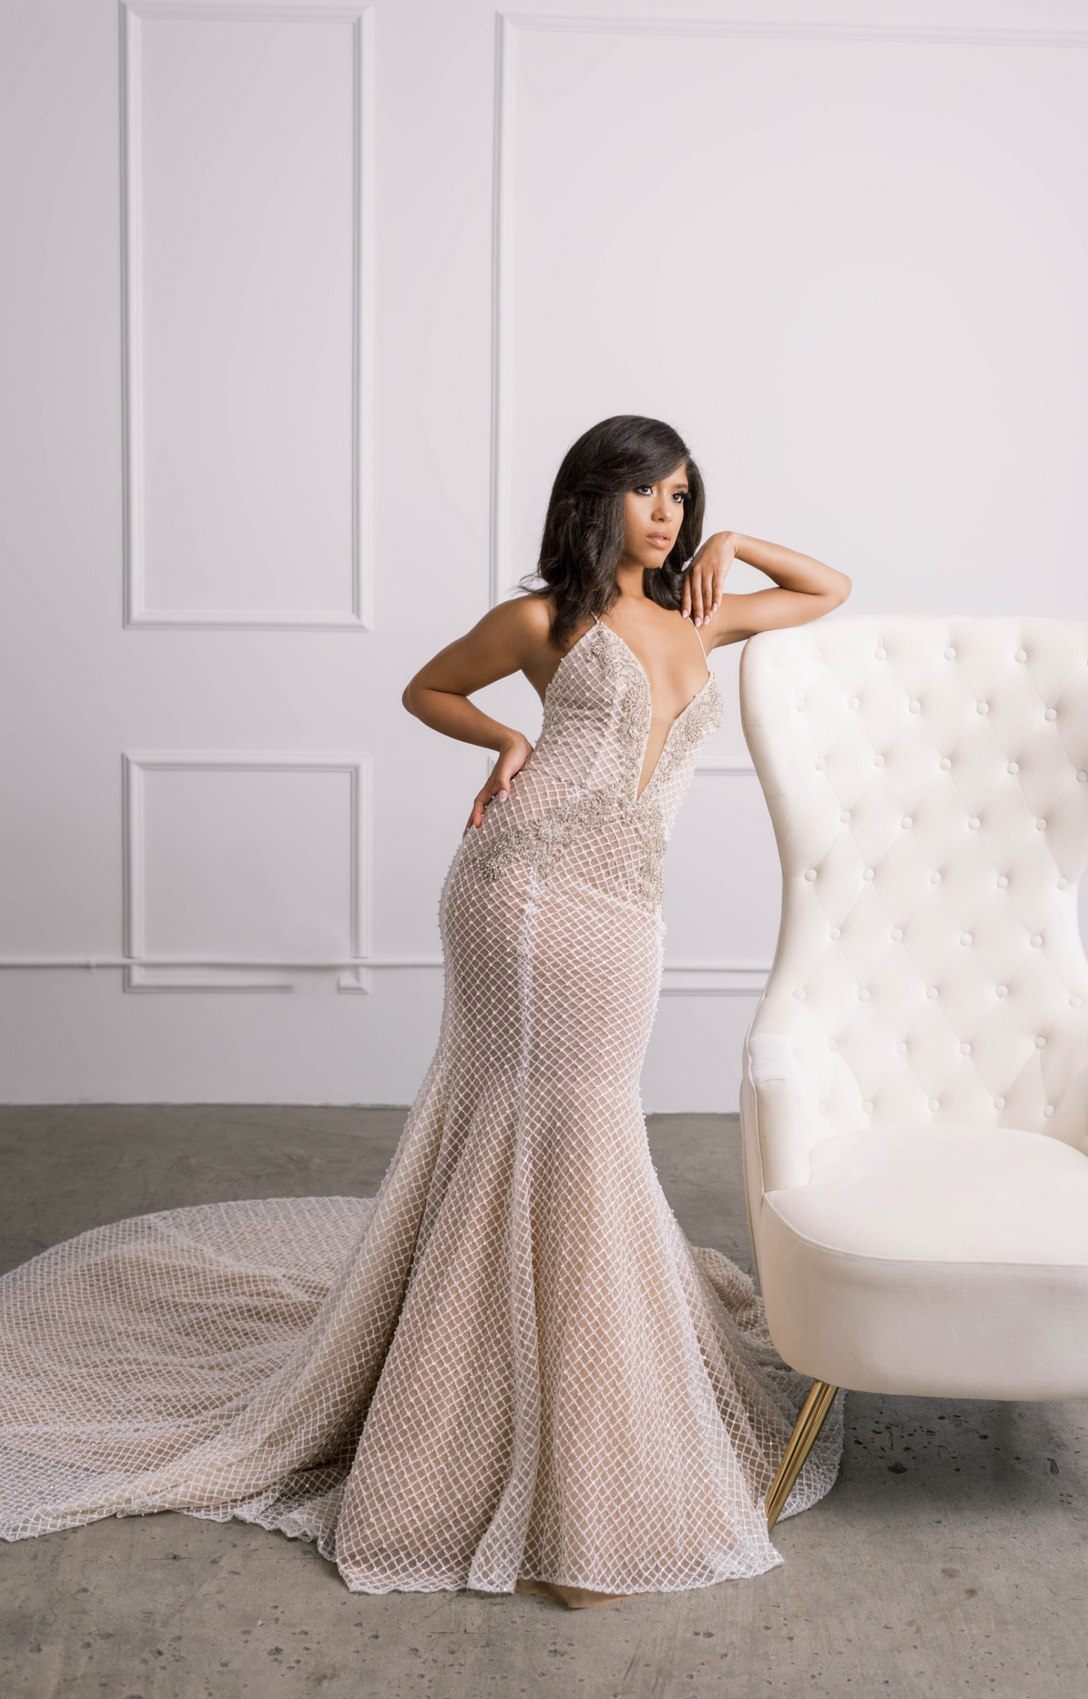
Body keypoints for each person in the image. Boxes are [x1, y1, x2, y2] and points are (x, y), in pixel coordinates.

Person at [0, 415, 851, 1609]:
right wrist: (509, 736)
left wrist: (745, 537)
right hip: (528, 890)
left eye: (683, 496)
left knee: (585, 1126)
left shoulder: (701, 608)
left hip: (629, 908)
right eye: (648, 494)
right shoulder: (545, 620)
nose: (668, 515)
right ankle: (558, 1476)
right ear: (593, 498)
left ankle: (539, 1409)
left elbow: (830, 590)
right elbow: (427, 685)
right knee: (565, 1127)